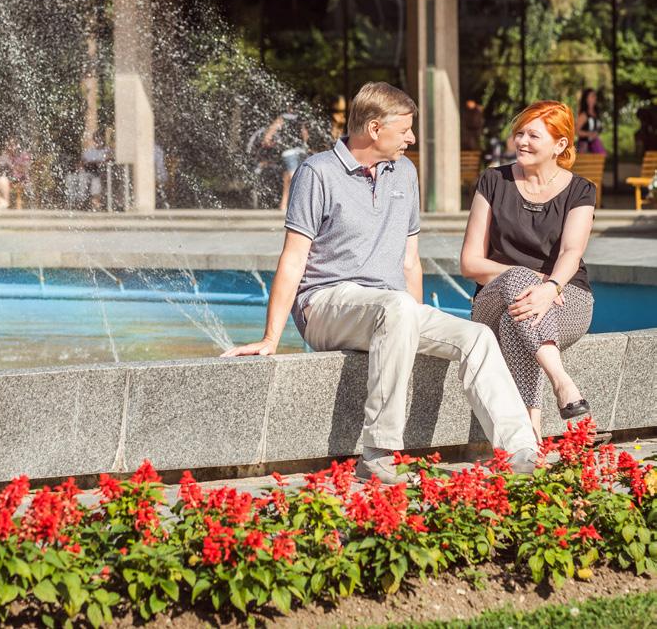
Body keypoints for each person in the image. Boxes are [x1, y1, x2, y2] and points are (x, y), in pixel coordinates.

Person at [222, 81, 538, 484]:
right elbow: (293, 258)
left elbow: (410, 261)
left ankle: (518, 448)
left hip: (389, 307)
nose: (411, 138)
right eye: (405, 129)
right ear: (374, 128)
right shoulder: (316, 172)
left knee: (476, 336)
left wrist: (416, 320)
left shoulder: (404, 172)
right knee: (397, 307)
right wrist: (271, 338)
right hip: (325, 304)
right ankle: (377, 452)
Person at [461, 100, 596, 443]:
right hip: (494, 298)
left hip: (567, 298)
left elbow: (571, 252)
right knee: (518, 282)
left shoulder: (580, 190)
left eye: (533, 135)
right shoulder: (494, 181)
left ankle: (529, 433)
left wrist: (551, 287)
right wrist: (534, 279)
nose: (521, 141)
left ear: (560, 145)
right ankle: (562, 382)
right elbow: (470, 264)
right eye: (518, 133)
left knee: (516, 322)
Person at [262, 109, 309, 211]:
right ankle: (295, 206)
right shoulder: (292, 117)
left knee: (288, 178)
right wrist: (305, 145)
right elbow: (305, 134)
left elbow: (272, 130)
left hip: (292, 151)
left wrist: (267, 139)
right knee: (294, 177)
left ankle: (284, 205)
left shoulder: (286, 117)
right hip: (294, 151)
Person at [576, 89, 605, 154]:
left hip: (596, 145)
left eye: (595, 96)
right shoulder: (584, 115)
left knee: (600, 160)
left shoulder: (596, 113)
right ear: (586, 99)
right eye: (592, 96)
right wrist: (589, 134)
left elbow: (598, 129)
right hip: (584, 147)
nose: (595, 98)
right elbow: (577, 131)